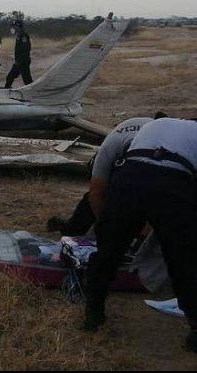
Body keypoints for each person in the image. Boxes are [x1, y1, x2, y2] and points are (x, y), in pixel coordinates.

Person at [83, 118, 197, 353]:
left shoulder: (155, 125)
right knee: (183, 260)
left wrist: (112, 228)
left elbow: (98, 191)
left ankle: (93, 315)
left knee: (108, 251)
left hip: (130, 176)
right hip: (172, 181)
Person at [46, 115, 157, 236]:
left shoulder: (162, 157)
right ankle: (73, 230)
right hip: (121, 146)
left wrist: (145, 233)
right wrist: (105, 227)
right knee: (98, 197)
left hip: (153, 154)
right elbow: (96, 194)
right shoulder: (108, 152)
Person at [4, 20, 33, 88]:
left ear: (18, 26)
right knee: (26, 80)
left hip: (22, 61)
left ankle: (6, 90)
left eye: (15, 26)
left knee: (11, 77)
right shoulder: (20, 35)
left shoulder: (23, 36)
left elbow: (25, 49)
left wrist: (19, 61)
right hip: (22, 61)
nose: (14, 28)